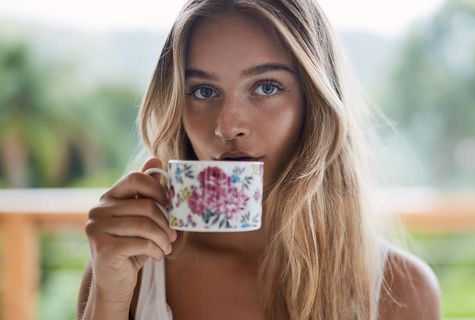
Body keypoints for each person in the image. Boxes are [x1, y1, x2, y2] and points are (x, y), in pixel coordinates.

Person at [77, 0, 440, 319]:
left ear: (315, 106)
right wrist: (108, 298)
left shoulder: (402, 292)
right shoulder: (130, 267)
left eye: (266, 87)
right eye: (203, 91)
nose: (227, 125)